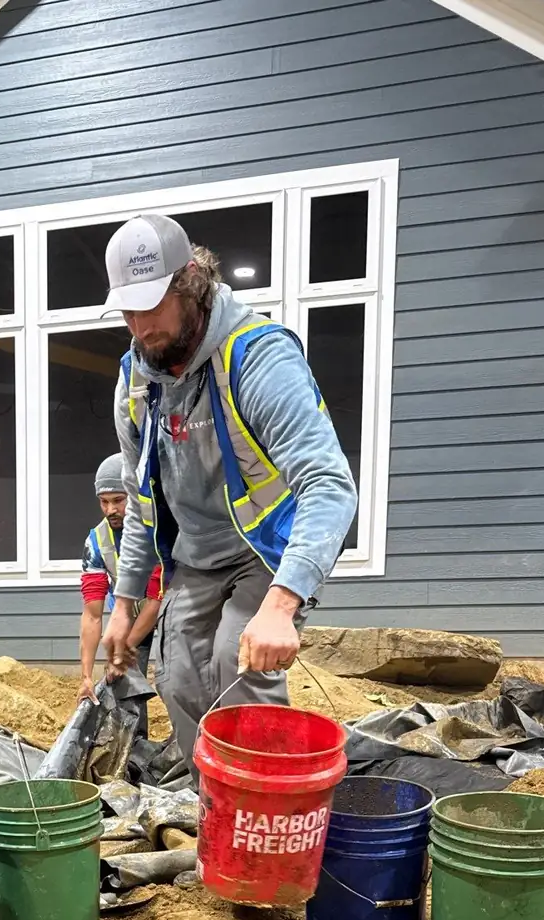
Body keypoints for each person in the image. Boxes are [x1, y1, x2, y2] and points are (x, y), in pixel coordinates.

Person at [100, 215, 358, 771]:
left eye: (151, 306)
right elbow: (141, 501)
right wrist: (123, 604)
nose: (140, 327)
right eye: (127, 312)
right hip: (196, 556)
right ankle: (216, 799)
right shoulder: (136, 382)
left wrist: (282, 604)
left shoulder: (258, 357)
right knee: (178, 679)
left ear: (190, 282)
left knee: (237, 666)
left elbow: (329, 484)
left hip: (263, 551)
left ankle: (266, 805)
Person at [79, 453, 163, 734]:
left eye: (118, 500)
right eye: (104, 502)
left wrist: (120, 653)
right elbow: (92, 614)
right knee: (126, 683)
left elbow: (156, 601)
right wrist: (86, 676)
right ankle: (136, 745)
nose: (110, 509)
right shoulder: (96, 541)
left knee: (172, 678)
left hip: (169, 611)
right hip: (128, 616)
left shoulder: (156, 532)